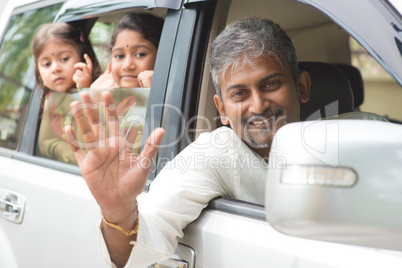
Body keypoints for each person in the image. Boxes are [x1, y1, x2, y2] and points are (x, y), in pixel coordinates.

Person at [65, 17, 311, 267]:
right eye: (239, 94)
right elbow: (143, 245)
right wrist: (118, 213)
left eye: (271, 85)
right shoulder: (215, 153)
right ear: (222, 109)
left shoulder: (341, 137)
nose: (258, 105)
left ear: (301, 86)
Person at [32, 22, 102, 164]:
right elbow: (44, 142)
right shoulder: (48, 100)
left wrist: (86, 89)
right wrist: (61, 149)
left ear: (83, 58)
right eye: (46, 64)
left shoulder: (101, 89)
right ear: (38, 71)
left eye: (64, 59)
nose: (55, 68)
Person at [90, 13, 164, 89]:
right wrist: (95, 94)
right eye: (119, 56)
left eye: (140, 54)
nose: (127, 65)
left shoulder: (174, 98)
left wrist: (156, 92)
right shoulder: (104, 95)